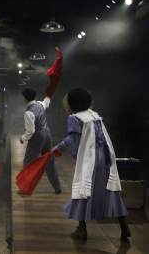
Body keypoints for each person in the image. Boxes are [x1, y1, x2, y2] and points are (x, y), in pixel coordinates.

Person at [53, 88, 130, 241]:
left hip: (90, 159)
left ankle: (82, 229)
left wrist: (74, 157)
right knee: (110, 190)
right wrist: (59, 146)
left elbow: (74, 141)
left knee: (83, 188)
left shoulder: (74, 118)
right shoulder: (94, 116)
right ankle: (124, 226)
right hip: (104, 157)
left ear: (72, 103)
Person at [20, 88, 62, 194]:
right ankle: (57, 187)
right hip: (47, 135)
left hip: (37, 137)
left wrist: (22, 138)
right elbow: (46, 102)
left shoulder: (28, 112)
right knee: (49, 161)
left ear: (25, 98)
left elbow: (31, 131)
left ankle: (25, 187)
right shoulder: (39, 104)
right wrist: (49, 92)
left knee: (28, 162)